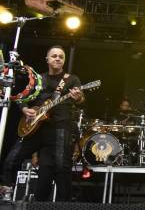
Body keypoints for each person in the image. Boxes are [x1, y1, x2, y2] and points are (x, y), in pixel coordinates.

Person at [3, 45, 84, 201]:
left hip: (60, 128)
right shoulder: (39, 79)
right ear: (47, 59)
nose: (58, 58)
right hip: (36, 127)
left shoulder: (71, 79)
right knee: (12, 158)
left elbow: (82, 101)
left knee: (61, 169)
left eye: (61, 56)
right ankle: (6, 193)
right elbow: (23, 97)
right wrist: (25, 109)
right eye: (54, 56)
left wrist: (78, 97)